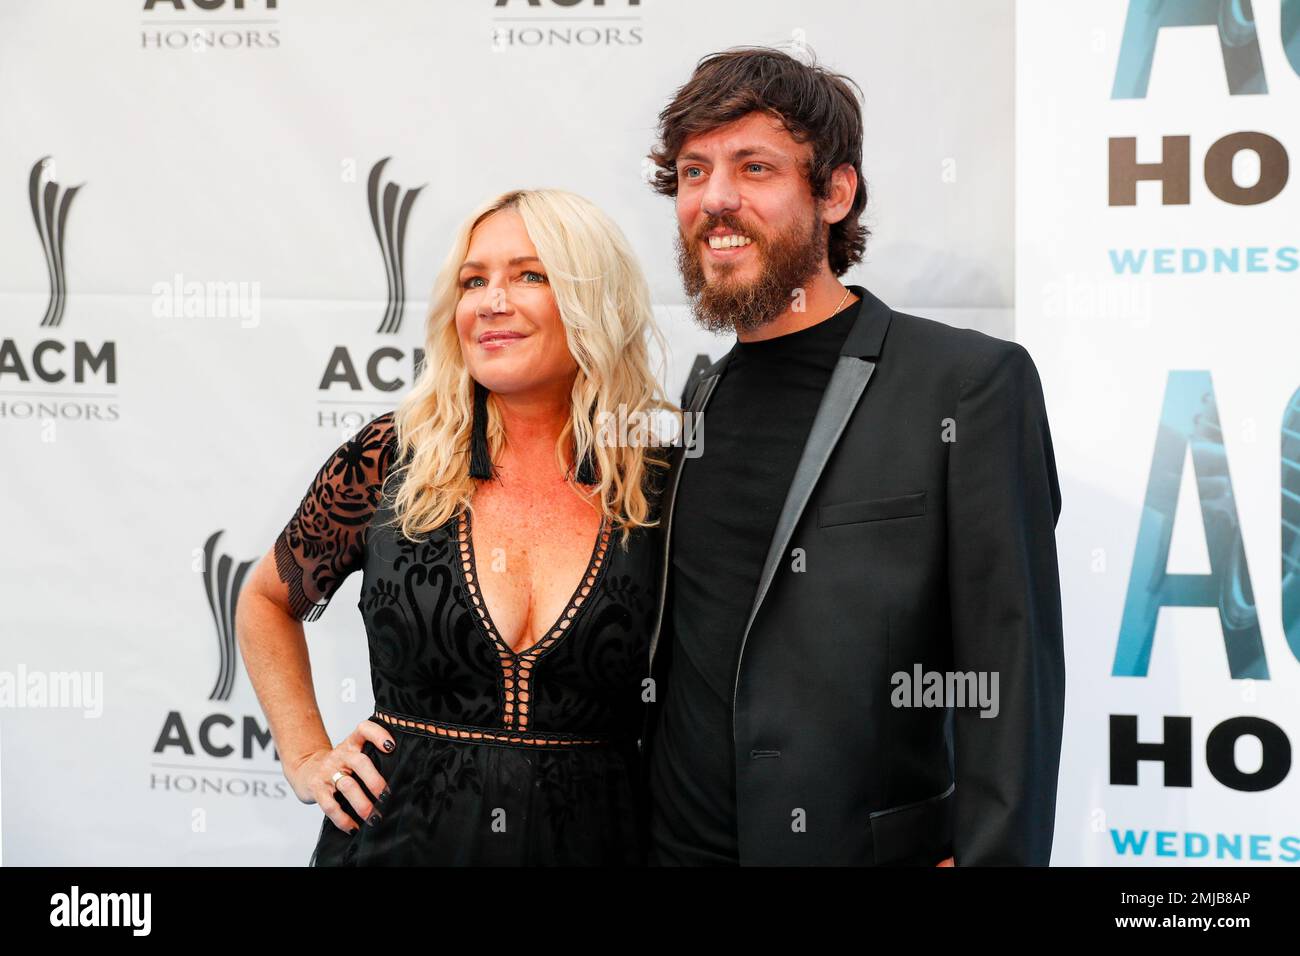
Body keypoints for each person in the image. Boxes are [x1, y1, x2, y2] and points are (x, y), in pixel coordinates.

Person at [641, 46, 1066, 865]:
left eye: (753, 167)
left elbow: (1012, 677)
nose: (715, 199)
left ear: (835, 193)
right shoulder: (693, 404)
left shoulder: (967, 385)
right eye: (693, 172)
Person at [236, 188, 671, 865]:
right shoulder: (391, 457)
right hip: (397, 844)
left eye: (530, 274)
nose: (492, 301)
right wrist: (306, 756)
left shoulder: (658, 481)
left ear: (595, 299)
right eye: (474, 281)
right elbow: (266, 599)